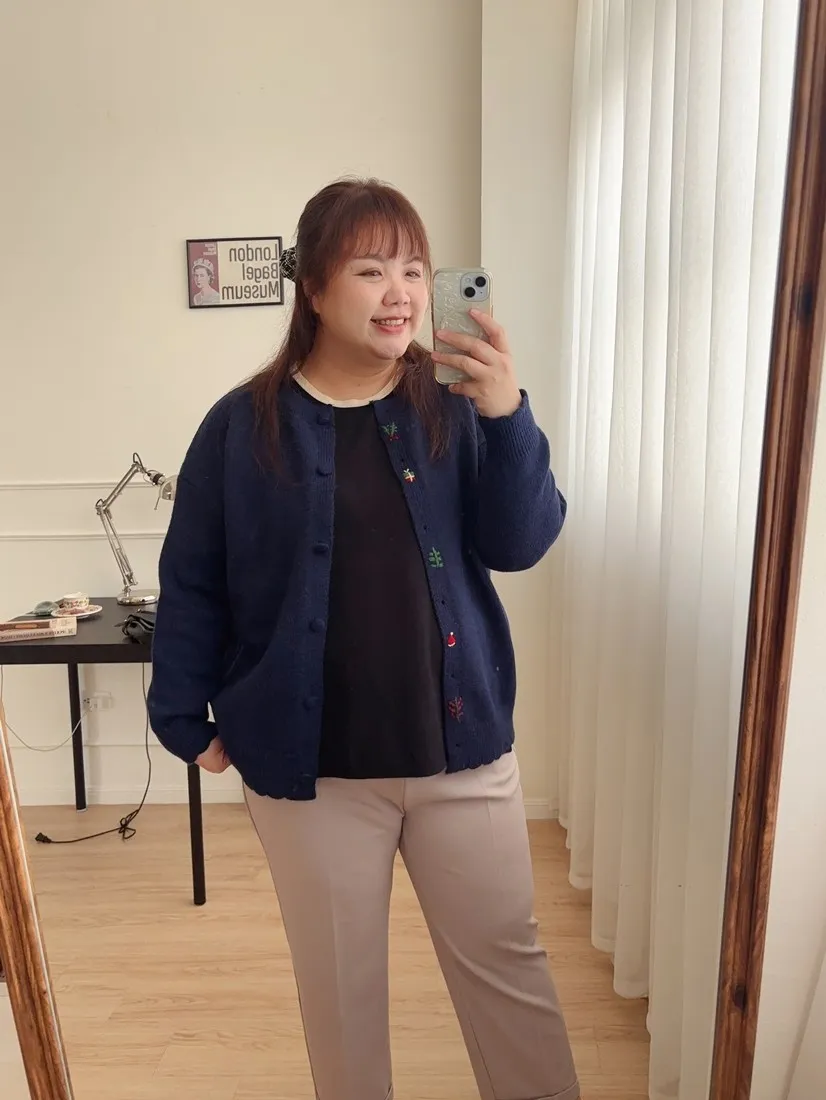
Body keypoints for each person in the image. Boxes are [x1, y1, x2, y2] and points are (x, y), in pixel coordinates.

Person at [147, 177, 579, 1100]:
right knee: (340, 996)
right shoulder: (241, 425)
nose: (401, 292)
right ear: (312, 286)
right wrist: (182, 715)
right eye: (372, 269)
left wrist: (509, 414)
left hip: (462, 760)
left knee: (510, 973)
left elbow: (522, 542)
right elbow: (193, 579)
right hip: (314, 779)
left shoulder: (457, 404)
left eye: (415, 270)